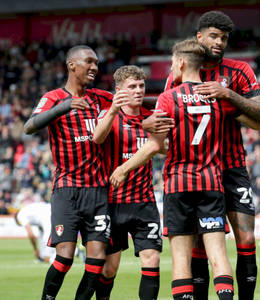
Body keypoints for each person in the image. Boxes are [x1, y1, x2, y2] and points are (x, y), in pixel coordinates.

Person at [109, 38, 260, 300]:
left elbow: (154, 146)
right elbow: (257, 123)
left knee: (181, 259)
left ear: (180, 63)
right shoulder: (216, 95)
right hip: (212, 183)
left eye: (171, 63)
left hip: (179, 185)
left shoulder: (168, 98)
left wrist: (124, 168)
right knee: (219, 256)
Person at [162, 11, 260, 300]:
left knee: (246, 238)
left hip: (232, 167)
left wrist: (228, 95)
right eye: (214, 36)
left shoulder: (239, 71)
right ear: (199, 37)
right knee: (198, 244)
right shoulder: (179, 75)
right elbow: (165, 118)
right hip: (197, 171)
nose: (220, 42)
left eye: (224, 38)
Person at [24, 45, 112, 300]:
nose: (94, 67)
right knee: (64, 256)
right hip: (67, 189)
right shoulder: (53, 98)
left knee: (97, 260)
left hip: (98, 191)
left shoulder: (101, 97)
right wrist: (65, 107)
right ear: (72, 65)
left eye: (96, 62)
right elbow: (30, 126)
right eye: (89, 61)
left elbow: (131, 100)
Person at [92, 65, 163, 300]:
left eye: (141, 85)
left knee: (152, 260)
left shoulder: (150, 117)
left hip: (144, 202)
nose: (138, 90)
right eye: (132, 86)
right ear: (119, 89)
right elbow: (97, 138)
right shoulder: (108, 115)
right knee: (109, 268)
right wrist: (113, 109)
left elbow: (164, 150)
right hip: (112, 202)